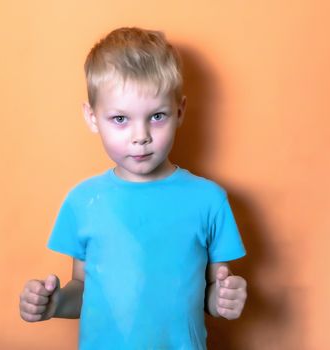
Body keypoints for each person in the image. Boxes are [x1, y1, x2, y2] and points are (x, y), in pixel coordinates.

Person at [19, 27, 247, 349]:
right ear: (92, 117)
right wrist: (54, 303)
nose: (140, 136)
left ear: (179, 111)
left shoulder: (209, 201)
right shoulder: (83, 202)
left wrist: (222, 300)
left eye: (156, 116)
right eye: (120, 119)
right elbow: (82, 288)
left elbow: (209, 293)